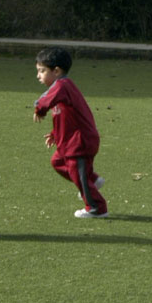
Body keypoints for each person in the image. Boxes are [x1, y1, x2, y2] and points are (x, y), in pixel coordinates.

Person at [33, 47, 108, 218]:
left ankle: (97, 207)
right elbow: (67, 116)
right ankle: (92, 180)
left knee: (77, 173)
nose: (38, 76)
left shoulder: (62, 85)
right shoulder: (61, 87)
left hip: (80, 142)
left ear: (57, 71)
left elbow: (46, 101)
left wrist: (39, 109)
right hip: (70, 141)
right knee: (57, 162)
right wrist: (54, 133)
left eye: (42, 71)